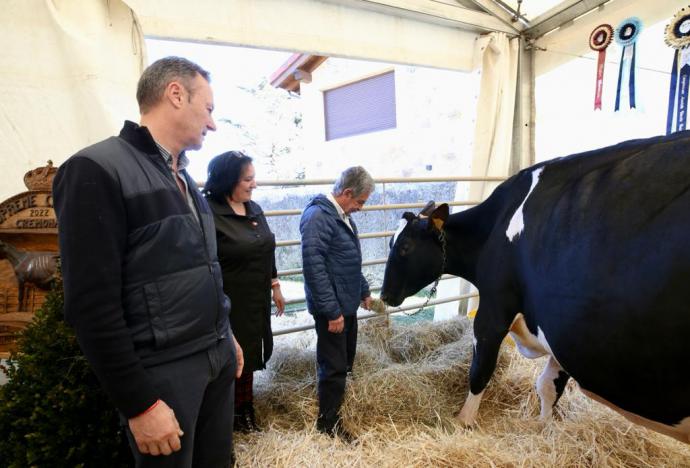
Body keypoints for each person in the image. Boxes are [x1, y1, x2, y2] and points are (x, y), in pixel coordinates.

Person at [53, 56, 243, 467]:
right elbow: (90, 305)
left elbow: (199, 268)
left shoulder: (184, 178)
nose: (212, 124)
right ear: (176, 94)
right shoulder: (96, 169)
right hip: (165, 371)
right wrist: (139, 403)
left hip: (212, 356)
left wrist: (223, 333)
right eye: (208, 109)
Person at [203, 151, 285, 432]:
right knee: (229, 356)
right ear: (228, 180)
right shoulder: (208, 212)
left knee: (250, 353)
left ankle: (245, 409)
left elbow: (266, 248)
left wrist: (275, 285)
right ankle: (226, 415)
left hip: (255, 297)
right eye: (248, 179)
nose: (254, 184)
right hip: (227, 299)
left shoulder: (254, 208)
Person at [299, 166, 374, 439]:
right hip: (333, 309)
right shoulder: (318, 216)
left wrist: (363, 290)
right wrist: (331, 312)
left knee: (345, 362)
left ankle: (339, 412)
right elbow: (313, 267)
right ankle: (328, 423)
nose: (360, 208)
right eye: (360, 202)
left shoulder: (342, 217)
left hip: (347, 304)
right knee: (333, 367)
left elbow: (349, 260)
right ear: (347, 193)